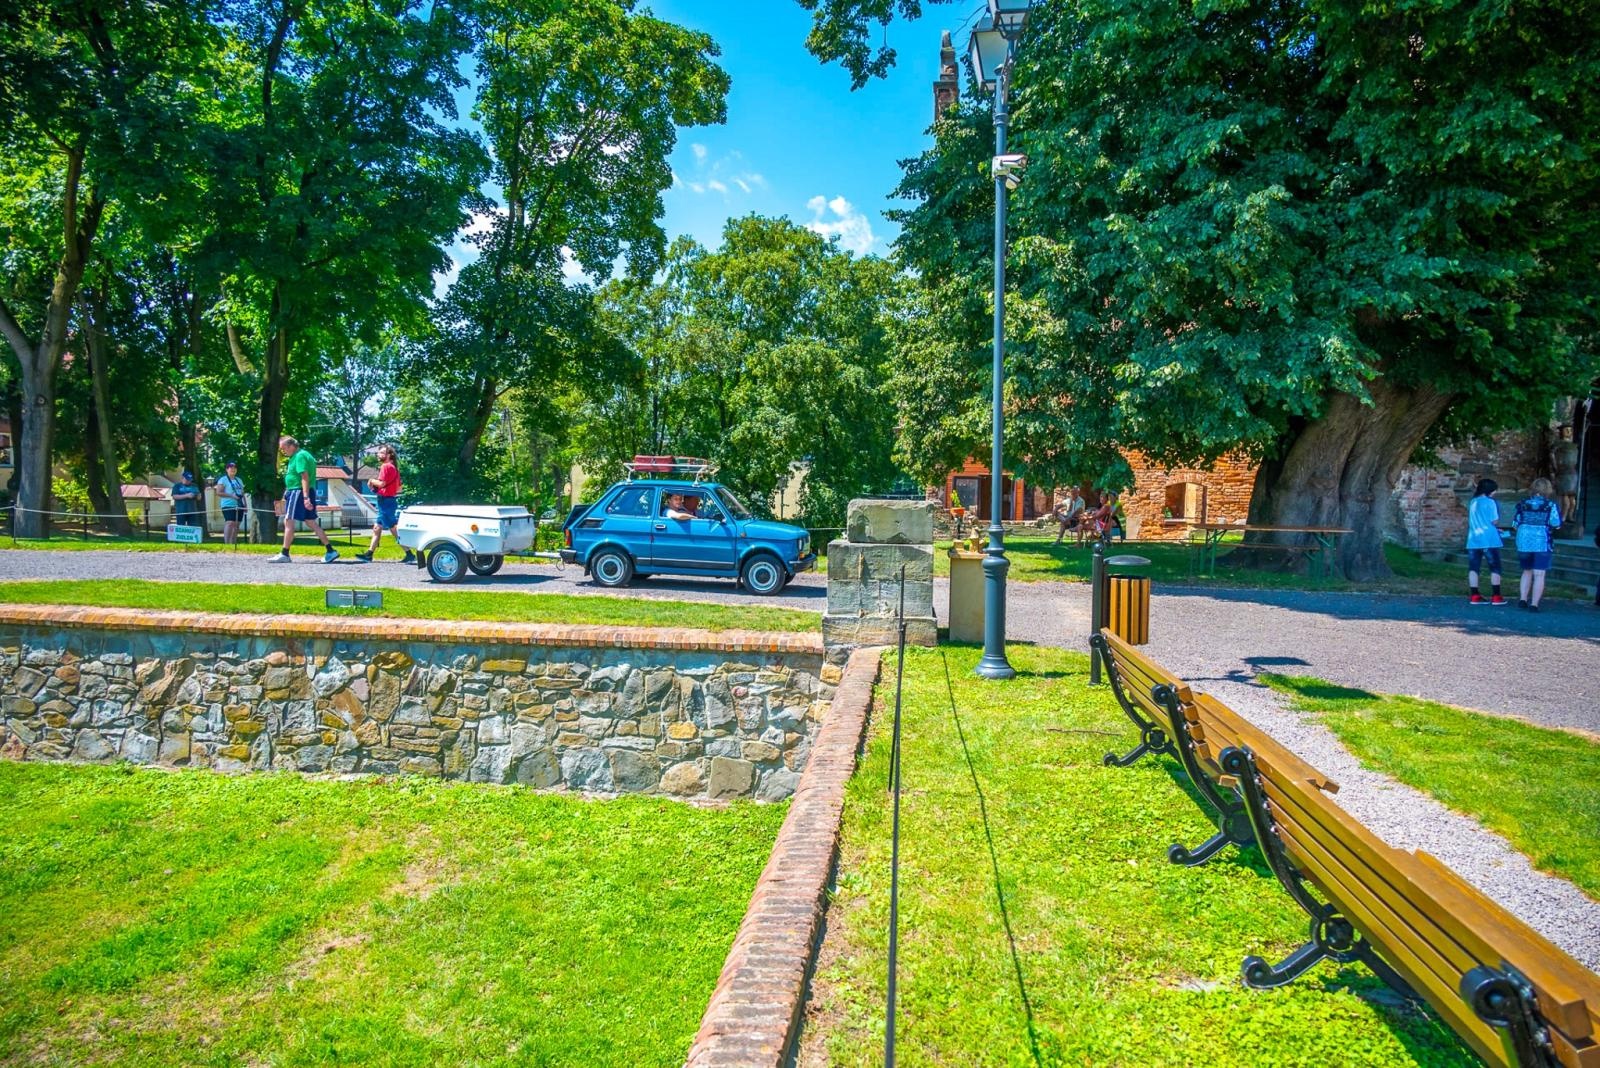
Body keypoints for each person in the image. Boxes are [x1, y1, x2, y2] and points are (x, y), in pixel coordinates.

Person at [268, 435, 338, 564]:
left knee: (288, 521)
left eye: (284, 448)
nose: (283, 451)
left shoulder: (299, 456)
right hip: (298, 491)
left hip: (298, 492)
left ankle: (285, 553)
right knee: (311, 522)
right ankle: (330, 550)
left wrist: (305, 497)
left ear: (291, 446)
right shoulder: (302, 455)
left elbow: (304, 477)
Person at [356, 444, 414, 564]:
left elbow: (382, 484)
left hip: (385, 501)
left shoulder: (386, 467)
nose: (379, 454)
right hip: (389, 501)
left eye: (382, 453)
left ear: (389, 455)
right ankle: (369, 554)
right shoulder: (394, 469)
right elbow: (399, 489)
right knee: (378, 528)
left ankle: (409, 553)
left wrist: (371, 481)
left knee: (392, 528)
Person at [1512, 477, 1561, 611]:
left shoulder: (1522, 503)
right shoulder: (1550, 505)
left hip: (1523, 541)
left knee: (1526, 571)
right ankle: (1534, 604)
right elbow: (1555, 523)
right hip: (1542, 541)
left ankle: (1522, 599)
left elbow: (1515, 523)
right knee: (1539, 574)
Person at [1464, 478, 1506, 605]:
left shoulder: (1473, 502)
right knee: (1495, 567)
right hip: (1489, 539)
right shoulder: (1490, 502)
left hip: (1474, 538)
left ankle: (1475, 595)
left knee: (1473, 567)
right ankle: (1496, 595)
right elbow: (1494, 521)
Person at [216, 461, 246, 546]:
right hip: (228, 504)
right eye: (231, 468)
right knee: (230, 523)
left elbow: (242, 493)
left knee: (237, 524)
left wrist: (245, 505)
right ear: (227, 469)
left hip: (239, 504)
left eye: (234, 468)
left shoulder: (239, 480)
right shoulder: (223, 479)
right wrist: (231, 496)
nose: (233, 469)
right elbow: (218, 492)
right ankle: (227, 543)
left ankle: (233, 543)